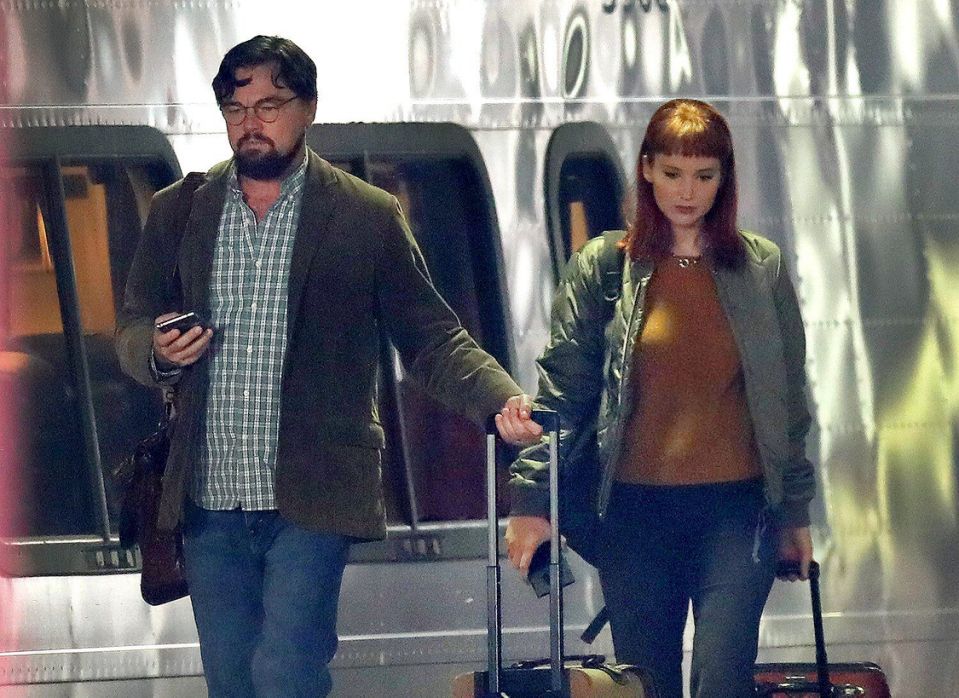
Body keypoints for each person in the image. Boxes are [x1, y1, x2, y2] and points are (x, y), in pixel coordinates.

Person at [115, 35, 541, 698]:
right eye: (235, 109)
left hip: (313, 495)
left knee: (286, 673)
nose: (251, 123)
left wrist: (500, 401)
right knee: (232, 682)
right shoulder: (181, 209)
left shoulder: (365, 216)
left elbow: (431, 338)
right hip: (207, 496)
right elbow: (133, 324)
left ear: (308, 108)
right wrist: (156, 350)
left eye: (269, 106)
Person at [505, 99, 815, 698]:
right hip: (634, 512)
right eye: (672, 173)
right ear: (646, 170)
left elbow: (786, 399)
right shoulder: (604, 267)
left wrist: (795, 512)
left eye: (704, 175)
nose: (687, 192)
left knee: (724, 674)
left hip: (738, 509)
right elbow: (564, 391)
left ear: (724, 179)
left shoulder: (760, 268)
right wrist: (531, 499)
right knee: (645, 681)